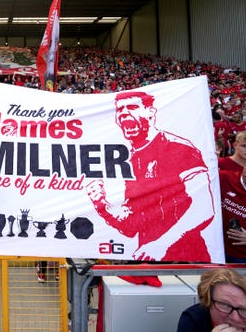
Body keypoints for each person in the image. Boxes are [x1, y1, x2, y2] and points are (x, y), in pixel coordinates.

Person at [85, 90, 215, 261]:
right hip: (148, 257)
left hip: (185, 257)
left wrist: (162, 243)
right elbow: (131, 228)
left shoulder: (177, 147)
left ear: (151, 113)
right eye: (120, 110)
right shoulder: (129, 159)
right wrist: (102, 205)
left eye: (132, 107)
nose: (124, 113)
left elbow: (204, 207)